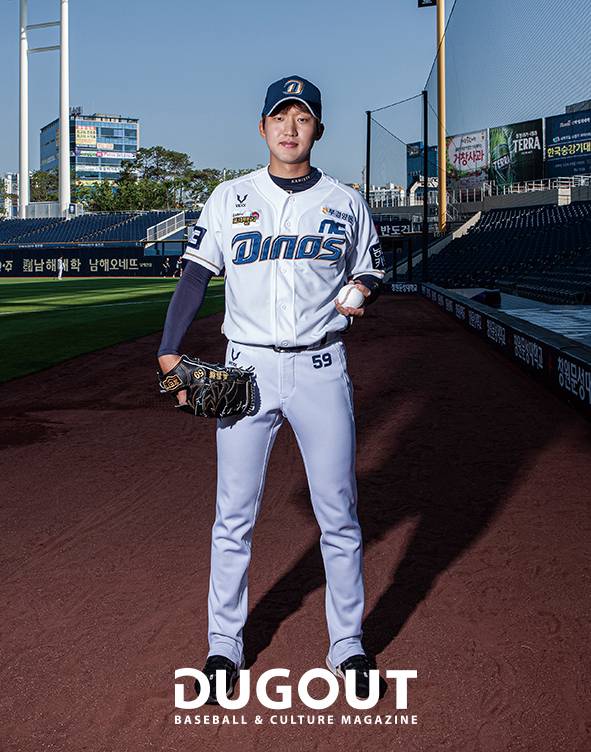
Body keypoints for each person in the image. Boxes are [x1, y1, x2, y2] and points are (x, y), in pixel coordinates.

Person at [157, 75, 385, 703]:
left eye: (302, 117)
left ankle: (348, 644)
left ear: (318, 130)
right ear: (262, 128)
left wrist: (363, 289)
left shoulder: (345, 201)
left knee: (338, 513)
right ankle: (223, 645)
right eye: (280, 117)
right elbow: (195, 275)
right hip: (247, 371)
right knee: (233, 514)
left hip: (320, 368)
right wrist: (168, 347)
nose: (290, 127)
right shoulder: (229, 197)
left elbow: (372, 265)